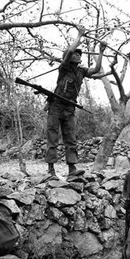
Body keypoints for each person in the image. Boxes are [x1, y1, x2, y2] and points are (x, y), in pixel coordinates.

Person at [45, 27, 106, 180]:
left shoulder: (81, 71)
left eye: (80, 54)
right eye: (76, 53)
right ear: (68, 57)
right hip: (56, 106)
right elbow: (70, 51)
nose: (78, 55)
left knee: (70, 138)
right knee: (53, 138)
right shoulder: (64, 67)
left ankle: (72, 169)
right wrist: (79, 35)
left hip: (69, 108)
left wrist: (101, 51)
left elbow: (97, 69)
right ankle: (51, 169)